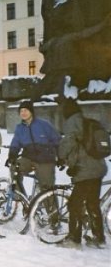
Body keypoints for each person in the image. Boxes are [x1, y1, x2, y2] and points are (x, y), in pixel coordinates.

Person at [58, 98, 107, 248]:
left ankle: (74, 239)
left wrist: (60, 157)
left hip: (85, 170)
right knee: (93, 203)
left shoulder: (73, 122)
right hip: (98, 168)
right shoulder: (87, 121)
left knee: (75, 204)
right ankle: (99, 239)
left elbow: (68, 143)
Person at [7, 101, 61, 192]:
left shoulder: (44, 124)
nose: (23, 113)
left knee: (46, 188)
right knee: (14, 167)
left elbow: (57, 141)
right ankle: (20, 196)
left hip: (45, 159)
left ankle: (50, 205)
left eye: (26, 110)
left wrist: (61, 157)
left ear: (31, 111)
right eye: (21, 111)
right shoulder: (20, 128)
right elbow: (15, 143)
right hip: (28, 158)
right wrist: (11, 155)